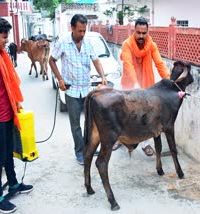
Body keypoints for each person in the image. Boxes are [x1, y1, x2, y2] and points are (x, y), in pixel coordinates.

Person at [0, 16, 33, 214]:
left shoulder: (0, 53)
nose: (7, 41)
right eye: (4, 37)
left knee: (8, 154)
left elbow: (6, 84)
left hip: (7, 112)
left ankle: (13, 185)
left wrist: (15, 102)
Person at [49, 14, 107, 165]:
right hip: (71, 91)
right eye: (79, 31)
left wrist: (102, 76)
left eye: (84, 31)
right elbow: (51, 60)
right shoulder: (63, 42)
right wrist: (60, 79)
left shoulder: (88, 43)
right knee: (75, 125)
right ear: (72, 28)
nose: (82, 34)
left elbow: (96, 60)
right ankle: (80, 152)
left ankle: (89, 149)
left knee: (89, 123)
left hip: (87, 90)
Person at [112, 17, 170, 156]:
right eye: (138, 32)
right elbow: (128, 65)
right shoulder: (127, 44)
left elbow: (159, 64)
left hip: (146, 86)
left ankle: (145, 143)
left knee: (146, 116)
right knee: (124, 114)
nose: (141, 36)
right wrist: (136, 84)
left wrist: (169, 82)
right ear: (134, 31)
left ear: (147, 32)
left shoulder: (152, 45)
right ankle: (120, 139)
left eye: (144, 33)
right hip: (129, 86)